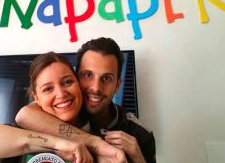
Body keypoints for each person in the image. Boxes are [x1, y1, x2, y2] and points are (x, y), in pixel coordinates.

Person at [0, 52, 126, 163]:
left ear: (78, 84)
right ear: (36, 98)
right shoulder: (18, 137)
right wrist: (58, 143)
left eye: (67, 82)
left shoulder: (104, 144)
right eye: (48, 89)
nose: (61, 94)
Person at [16, 38, 156, 163]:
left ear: (117, 85)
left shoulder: (140, 135)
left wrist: (138, 160)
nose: (95, 88)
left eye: (106, 78)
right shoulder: (62, 109)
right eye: (88, 75)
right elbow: (24, 116)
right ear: (76, 77)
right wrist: (95, 143)